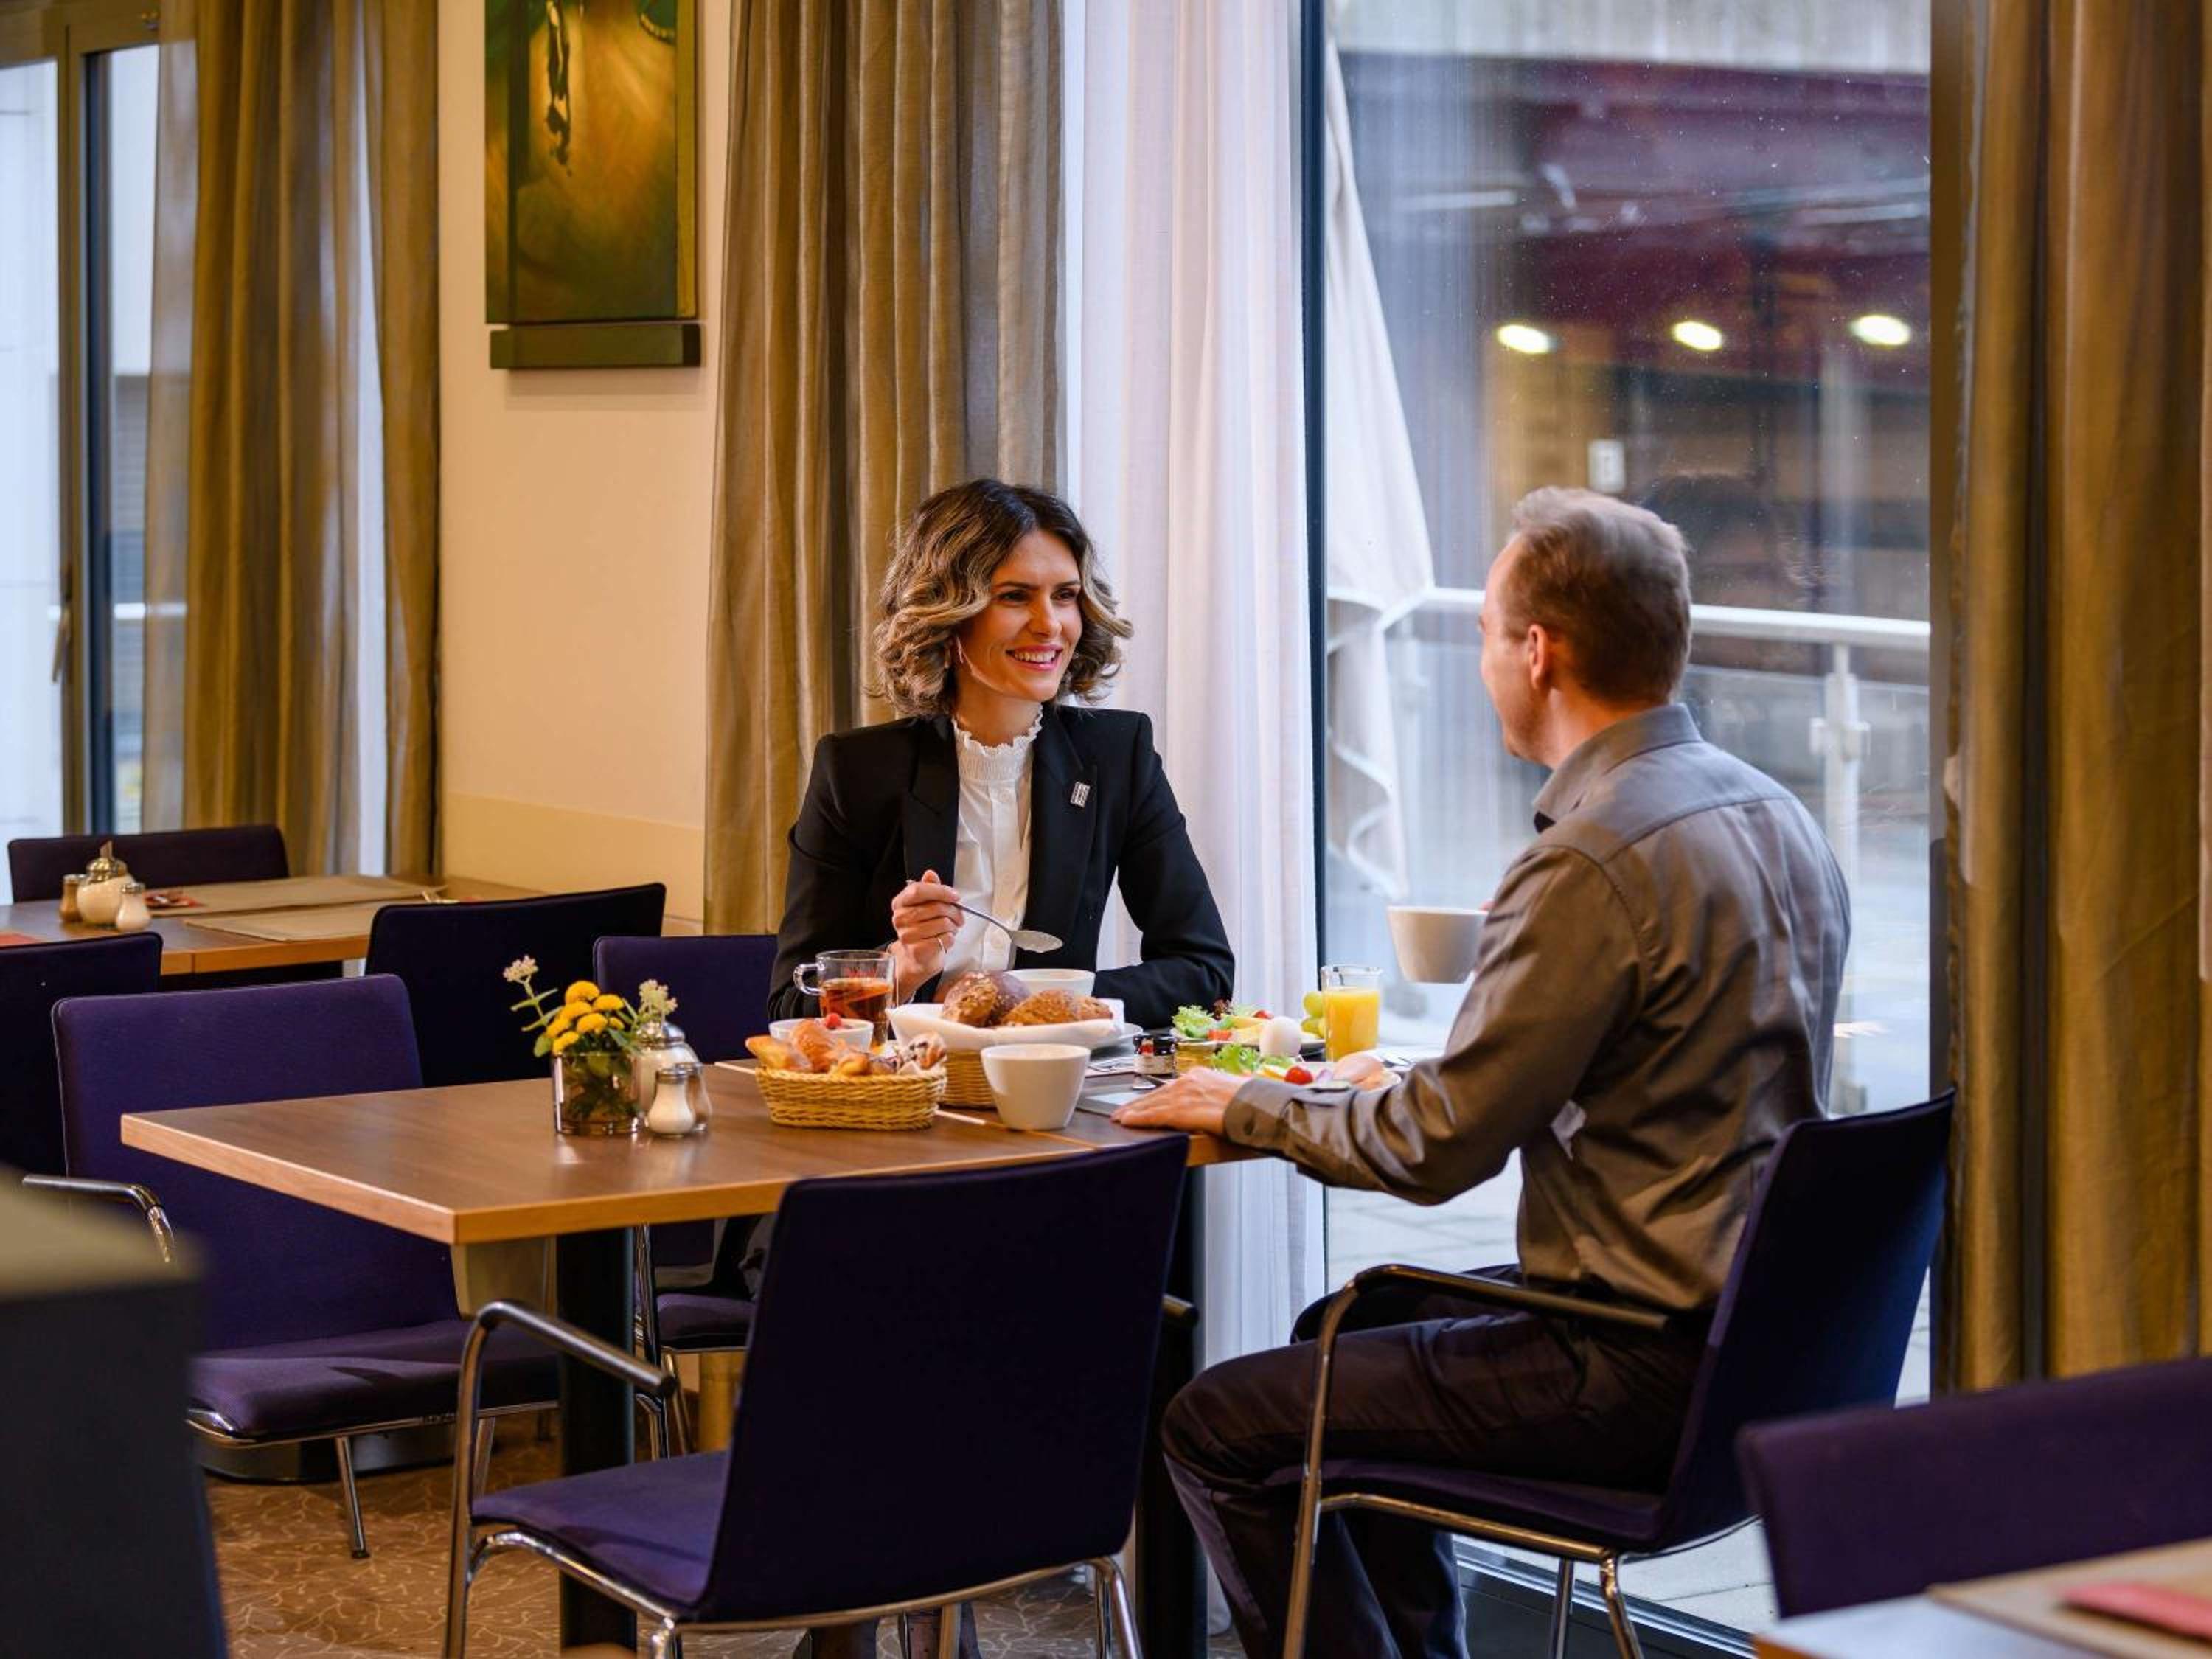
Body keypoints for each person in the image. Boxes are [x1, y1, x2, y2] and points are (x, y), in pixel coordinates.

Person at [1116, 487, 1851, 1657]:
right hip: (1766, 1343)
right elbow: (1629, 1066)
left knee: (1216, 1423)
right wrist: (1385, 1088)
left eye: (1482, 634)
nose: (1481, 662)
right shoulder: (1774, 812)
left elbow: (1437, 1149)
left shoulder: (1591, 858)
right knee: (1343, 1329)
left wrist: (1248, 1103)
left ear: (1538, 650)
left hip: (1629, 1363)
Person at [769, 479, 1234, 1037]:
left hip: (1057, 1079)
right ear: (948, 615)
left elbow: (1203, 970)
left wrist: (1039, 1005)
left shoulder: (1118, 754)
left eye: (1065, 595)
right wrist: (901, 968)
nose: (1050, 624)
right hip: (912, 1081)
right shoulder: (856, 772)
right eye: (1015, 596)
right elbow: (789, 1006)